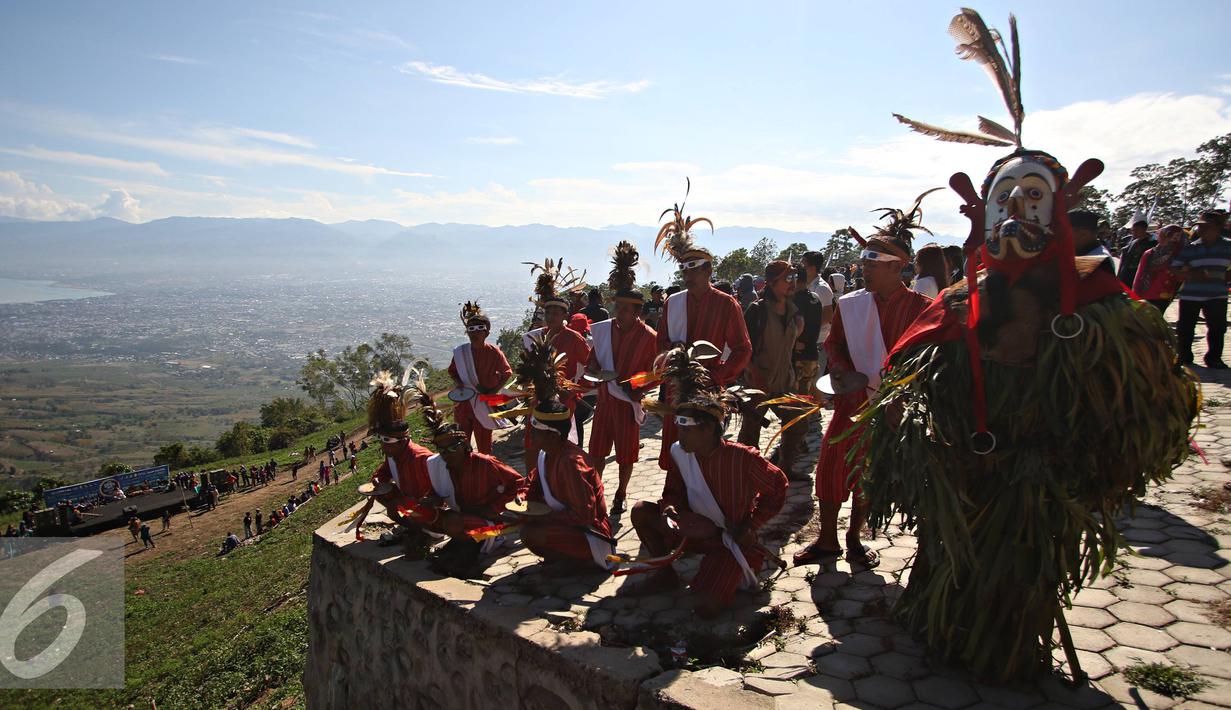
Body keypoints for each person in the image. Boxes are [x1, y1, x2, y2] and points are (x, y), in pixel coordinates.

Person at [869, 10, 1198, 680]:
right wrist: (924, 434)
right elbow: (909, 371)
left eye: (1033, 196)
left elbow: (1150, 404)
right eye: (1004, 197)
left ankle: (1006, 658)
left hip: (1035, 476)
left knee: (1014, 578)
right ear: (982, 210)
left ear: (1059, 206)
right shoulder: (958, 299)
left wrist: (1082, 459)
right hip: (964, 468)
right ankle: (938, 631)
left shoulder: (1101, 305)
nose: (1017, 210)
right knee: (949, 557)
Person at [794, 190, 935, 569]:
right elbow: (836, 343)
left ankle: (855, 538)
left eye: (872, 266)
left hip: (890, 407)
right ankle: (826, 540)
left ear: (896, 267)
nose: (864, 271)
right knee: (830, 470)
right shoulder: (852, 304)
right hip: (850, 402)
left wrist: (901, 394)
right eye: (863, 265)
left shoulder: (922, 310)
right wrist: (839, 368)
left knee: (868, 477)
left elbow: (928, 360)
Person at [623, 345, 787, 617]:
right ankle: (665, 574)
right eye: (679, 428)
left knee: (705, 607)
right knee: (642, 511)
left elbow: (778, 486)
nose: (680, 436)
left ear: (708, 429)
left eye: (686, 429)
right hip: (694, 531)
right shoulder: (681, 452)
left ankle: (724, 570)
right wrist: (670, 509)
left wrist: (751, 525)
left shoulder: (741, 458)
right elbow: (672, 492)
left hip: (729, 539)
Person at [654, 184, 753, 471]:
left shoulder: (726, 305)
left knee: (707, 453)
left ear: (708, 270)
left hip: (709, 389)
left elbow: (743, 349)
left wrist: (718, 376)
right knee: (677, 453)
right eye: (683, 268)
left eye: (694, 267)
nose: (688, 273)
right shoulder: (673, 303)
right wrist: (669, 361)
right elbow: (660, 344)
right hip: (677, 389)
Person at [409, 385, 528, 577]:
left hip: (493, 523)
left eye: (451, 448)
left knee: (454, 523)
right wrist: (431, 501)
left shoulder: (485, 463)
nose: (446, 455)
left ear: (464, 445)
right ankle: (456, 545)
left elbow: (520, 484)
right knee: (419, 514)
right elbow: (436, 494)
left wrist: (495, 508)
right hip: (463, 517)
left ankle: (469, 554)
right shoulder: (439, 466)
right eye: (442, 450)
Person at [587, 241, 659, 515]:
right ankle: (597, 491)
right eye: (617, 307)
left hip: (629, 403)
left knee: (626, 455)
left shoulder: (649, 338)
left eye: (625, 309)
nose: (619, 313)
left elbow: (657, 374)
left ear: (638, 312)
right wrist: (596, 374)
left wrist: (634, 386)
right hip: (605, 401)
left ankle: (621, 492)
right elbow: (591, 363)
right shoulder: (605, 332)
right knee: (596, 452)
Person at [519, 399, 613, 570]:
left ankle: (580, 562)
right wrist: (522, 497)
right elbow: (533, 483)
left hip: (592, 533)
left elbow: (584, 515)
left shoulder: (572, 464)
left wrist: (543, 517)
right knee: (526, 525)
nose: (530, 432)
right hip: (569, 524)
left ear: (553, 435)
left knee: (530, 534)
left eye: (536, 429)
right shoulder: (546, 454)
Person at [521, 259, 592, 472]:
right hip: (539, 398)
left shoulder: (575, 339)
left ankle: (565, 478)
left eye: (556, 313)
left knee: (563, 445)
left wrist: (574, 389)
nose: (551, 316)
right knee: (532, 443)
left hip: (564, 399)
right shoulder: (535, 338)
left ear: (564, 316)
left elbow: (590, 366)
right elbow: (526, 368)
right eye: (548, 312)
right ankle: (532, 484)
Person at [740, 261, 804, 473]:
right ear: (771, 282)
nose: (792, 283)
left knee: (796, 424)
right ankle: (749, 473)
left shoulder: (794, 312)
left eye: (794, 278)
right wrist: (755, 374)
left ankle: (783, 471)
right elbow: (744, 349)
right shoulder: (757, 311)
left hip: (786, 382)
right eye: (787, 279)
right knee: (750, 434)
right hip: (758, 384)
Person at [447, 302, 515, 456]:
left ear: (487, 333)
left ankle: (485, 473)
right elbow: (453, 371)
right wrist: (460, 385)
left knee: (484, 446)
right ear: (467, 332)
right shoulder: (460, 352)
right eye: (471, 330)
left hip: (484, 404)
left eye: (479, 330)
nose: (475, 334)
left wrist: (492, 391)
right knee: (461, 444)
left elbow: (507, 373)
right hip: (464, 405)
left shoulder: (494, 352)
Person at [1172, 210, 1231, 368]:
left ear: (1218, 228)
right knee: (1185, 328)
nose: (1201, 230)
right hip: (1191, 295)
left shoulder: (1228, 246)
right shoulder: (1191, 248)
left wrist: (1227, 276)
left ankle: (1214, 358)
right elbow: (1174, 268)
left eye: (1206, 227)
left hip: (1217, 294)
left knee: (1217, 328)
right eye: (1200, 227)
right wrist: (1192, 274)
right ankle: (1184, 356)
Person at [790, 262, 824, 414]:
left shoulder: (795, 301)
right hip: (812, 352)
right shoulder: (815, 298)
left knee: (796, 398)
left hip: (799, 355)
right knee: (807, 389)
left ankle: (799, 428)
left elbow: (798, 326)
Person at [1133, 224, 1185, 312]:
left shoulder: (1179, 255)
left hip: (1164, 296)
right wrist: (1135, 295)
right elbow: (1139, 276)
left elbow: (1180, 278)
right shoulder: (1149, 254)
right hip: (1145, 294)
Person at [801, 251, 836, 374]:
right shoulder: (804, 285)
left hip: (817, 344)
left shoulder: (822, 288)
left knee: (814, 382)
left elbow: (827, 316)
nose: (800, 268)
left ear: (812, 268)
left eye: (803, 265)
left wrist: (805, 330)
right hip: (805, 342)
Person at [1068, 209, 1114, 274]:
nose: (1063, 236)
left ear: (1083, 234)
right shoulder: (1086, 251)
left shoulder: (1096, 259)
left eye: (1066, 232)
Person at [1117, 210, 1155, 287]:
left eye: (1137, 230)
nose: (1134, 232)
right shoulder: (1131, 243)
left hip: (1140, 276)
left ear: (1144, 229)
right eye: (1133, 230)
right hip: (1126, 275)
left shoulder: (1152, 244)